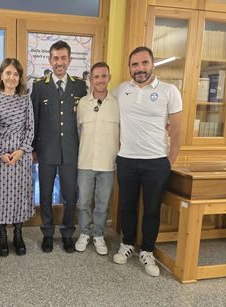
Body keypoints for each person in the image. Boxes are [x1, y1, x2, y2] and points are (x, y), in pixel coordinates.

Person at [112, 46, 182, 277]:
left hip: (156, 162)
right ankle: (127, 245)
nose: (140, 68)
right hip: (127, 160)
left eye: (144, 63)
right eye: (135, 64)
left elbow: (178, 129)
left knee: (152, 209)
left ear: (152, 64)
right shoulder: (121, 90)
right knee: (127, 206)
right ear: (129, 67)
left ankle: (148, 251)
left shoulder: (169, 91)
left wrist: (169, 161)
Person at [31, 40, 87, 253]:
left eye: (63, 58)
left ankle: (67, 233)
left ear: (70, 60)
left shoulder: (80, 86)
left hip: (71, 151)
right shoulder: (39, 86)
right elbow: (34, 119)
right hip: (46, 151)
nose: (59, 62)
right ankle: (47, 232)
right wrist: (33, 148)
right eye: (55, 58)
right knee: (44, 194)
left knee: (70, 195)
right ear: (50, 60)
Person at [0, 58, 35, 257]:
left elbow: (30, 127)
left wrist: (22, 150)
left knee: (19, 194)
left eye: (15, 74)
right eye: (8, 73)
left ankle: (18, 234)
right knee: (0, 195)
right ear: (1, 76)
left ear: (20, 77)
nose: (12, 77)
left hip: (20, 156)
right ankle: (2, 235)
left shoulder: (25, 99)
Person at [75, 62, 119, 255]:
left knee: (102, 203)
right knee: (83, 201)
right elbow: (78, 131)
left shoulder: (117, 104)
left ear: (109, 77)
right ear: (90, 80)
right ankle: (84, 233)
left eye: (103, 76)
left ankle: (99, 234)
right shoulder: (83, 104)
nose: (100, 80)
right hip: (85, 162)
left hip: (108, 163)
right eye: (96, 77)